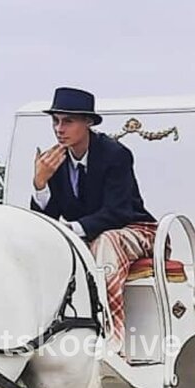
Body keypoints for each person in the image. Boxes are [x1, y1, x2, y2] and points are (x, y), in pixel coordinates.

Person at [31, 87, 156, 350]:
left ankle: (113, 338)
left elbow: (118, 212)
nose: (59, 129)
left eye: (68, 121)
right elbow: (47, 218)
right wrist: (40, 183)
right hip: (89, 237)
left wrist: (71, 229)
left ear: (87, 122)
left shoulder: (114, 154)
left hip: (137, 230)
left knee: (106, 242)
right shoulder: (56, 161)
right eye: (55, 121)